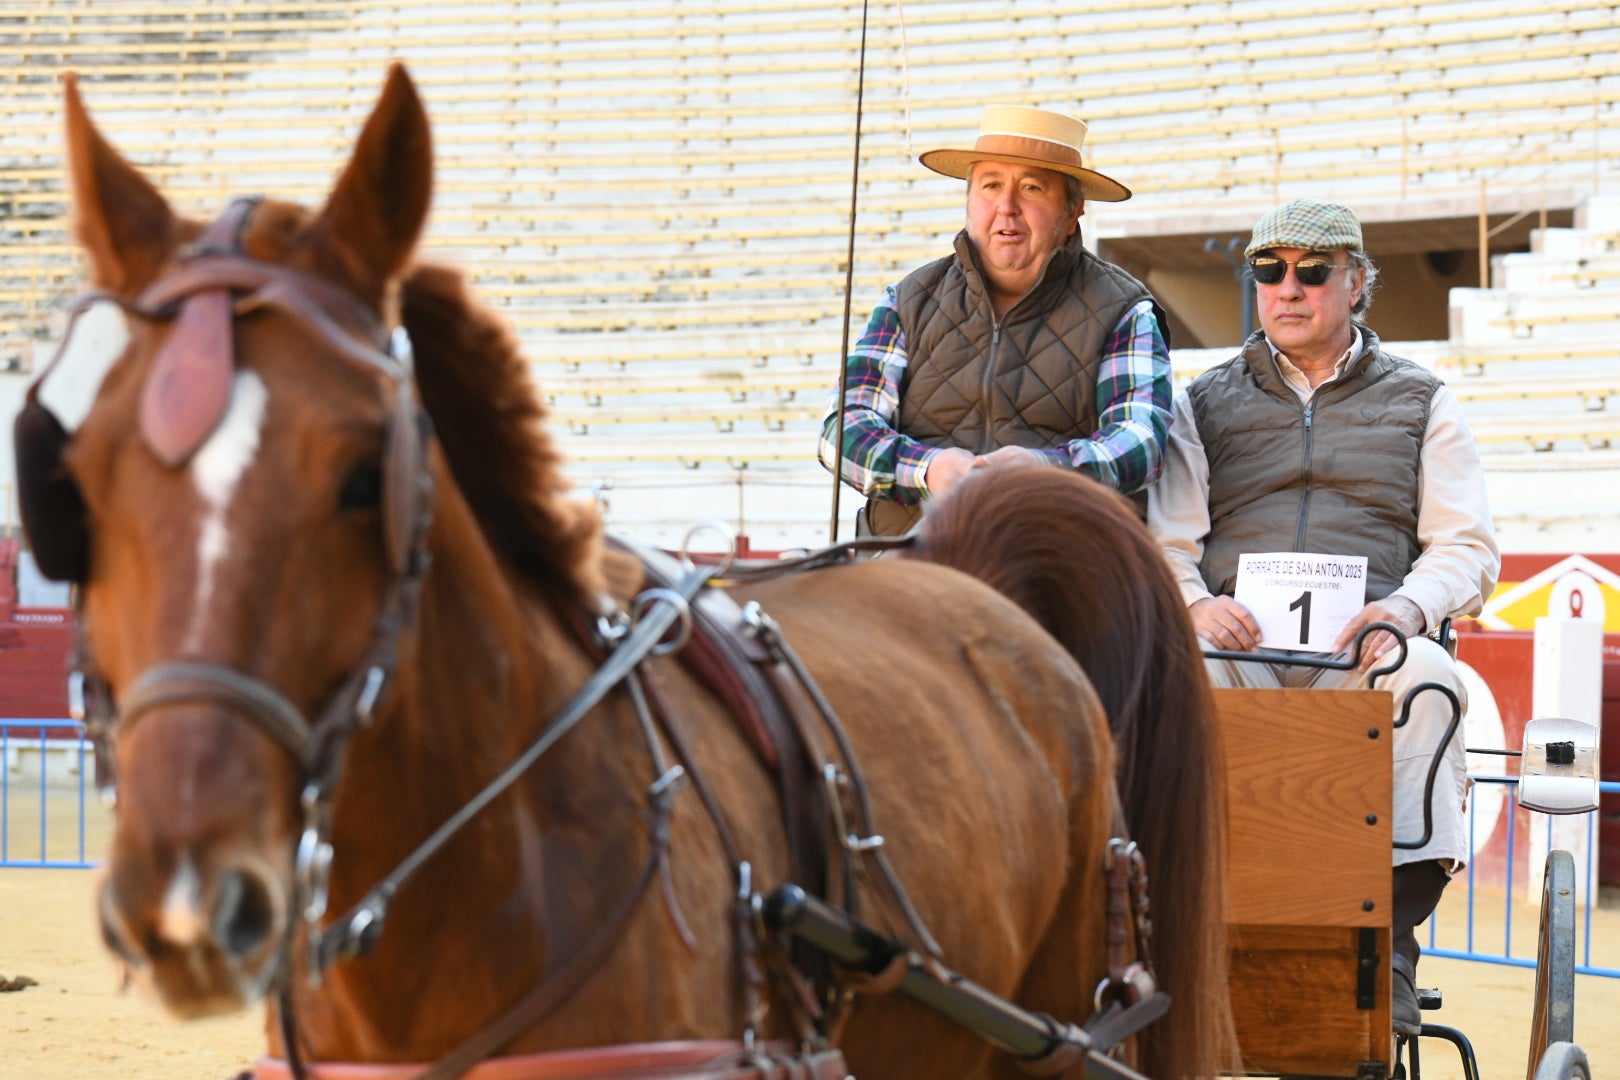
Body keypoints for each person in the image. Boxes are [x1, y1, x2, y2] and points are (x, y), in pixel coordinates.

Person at [1147, 197, 1501, 1035]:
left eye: (1313, 272)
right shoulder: (1202, 402)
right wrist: (1198, 605)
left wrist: (1405, 610)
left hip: (1364, 645)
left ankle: (1391, 948)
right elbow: (1168, 539)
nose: (1288, 288)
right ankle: (1198, 927)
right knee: (1180, 674)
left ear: (1357, 284)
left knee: (1426, 677)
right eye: (1268, 271)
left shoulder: (1425, 401)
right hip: (1246, 646)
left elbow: (1467, 548)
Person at [818, 104, 1173, 535]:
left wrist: (1044, 471)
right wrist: (927, 470)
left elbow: (1142, 442)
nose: (1006, 206)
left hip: (1058, 559)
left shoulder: (1123, 309)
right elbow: (842, 430)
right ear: (969, 201)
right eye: (990, 185)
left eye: (1031, 188)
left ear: (1073, 211)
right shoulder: (907, 300)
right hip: (912, 561)